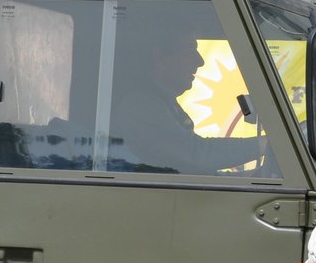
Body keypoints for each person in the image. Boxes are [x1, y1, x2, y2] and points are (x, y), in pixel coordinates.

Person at [106, 32, 265, 175]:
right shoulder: (140, 105)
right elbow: (194, 154)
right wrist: (264, 146)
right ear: (159, 57)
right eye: (189, 51)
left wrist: (248, 176)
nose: (200, 61)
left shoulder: (160, 102)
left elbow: (189, 168)